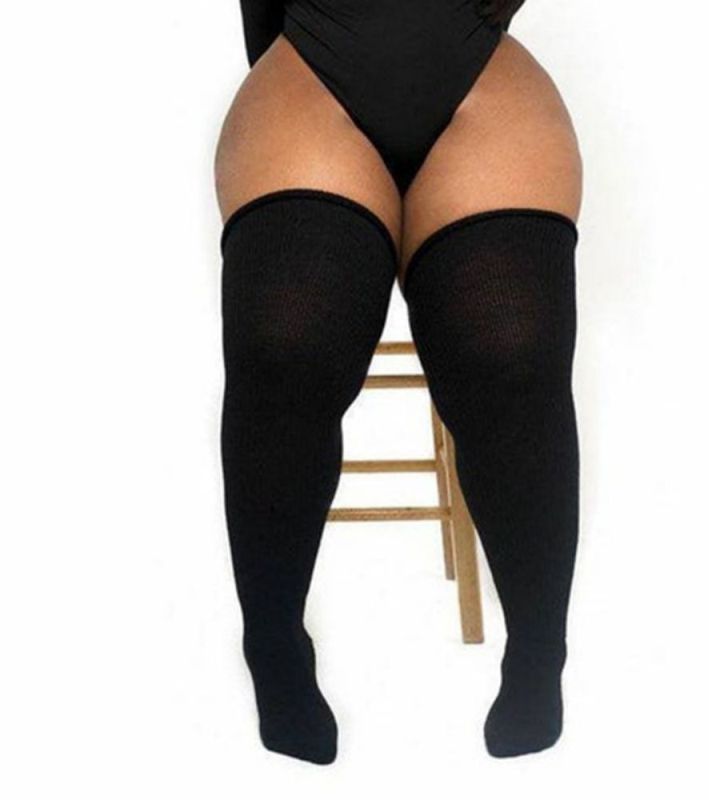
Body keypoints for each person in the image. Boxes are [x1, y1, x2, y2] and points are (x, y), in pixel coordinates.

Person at [214, 0, 583, 764]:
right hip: (315, 61)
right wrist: (281, 58)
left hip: (476, 67)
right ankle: (273, 643)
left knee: (511, 352)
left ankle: (539, 648)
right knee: (287, 343)